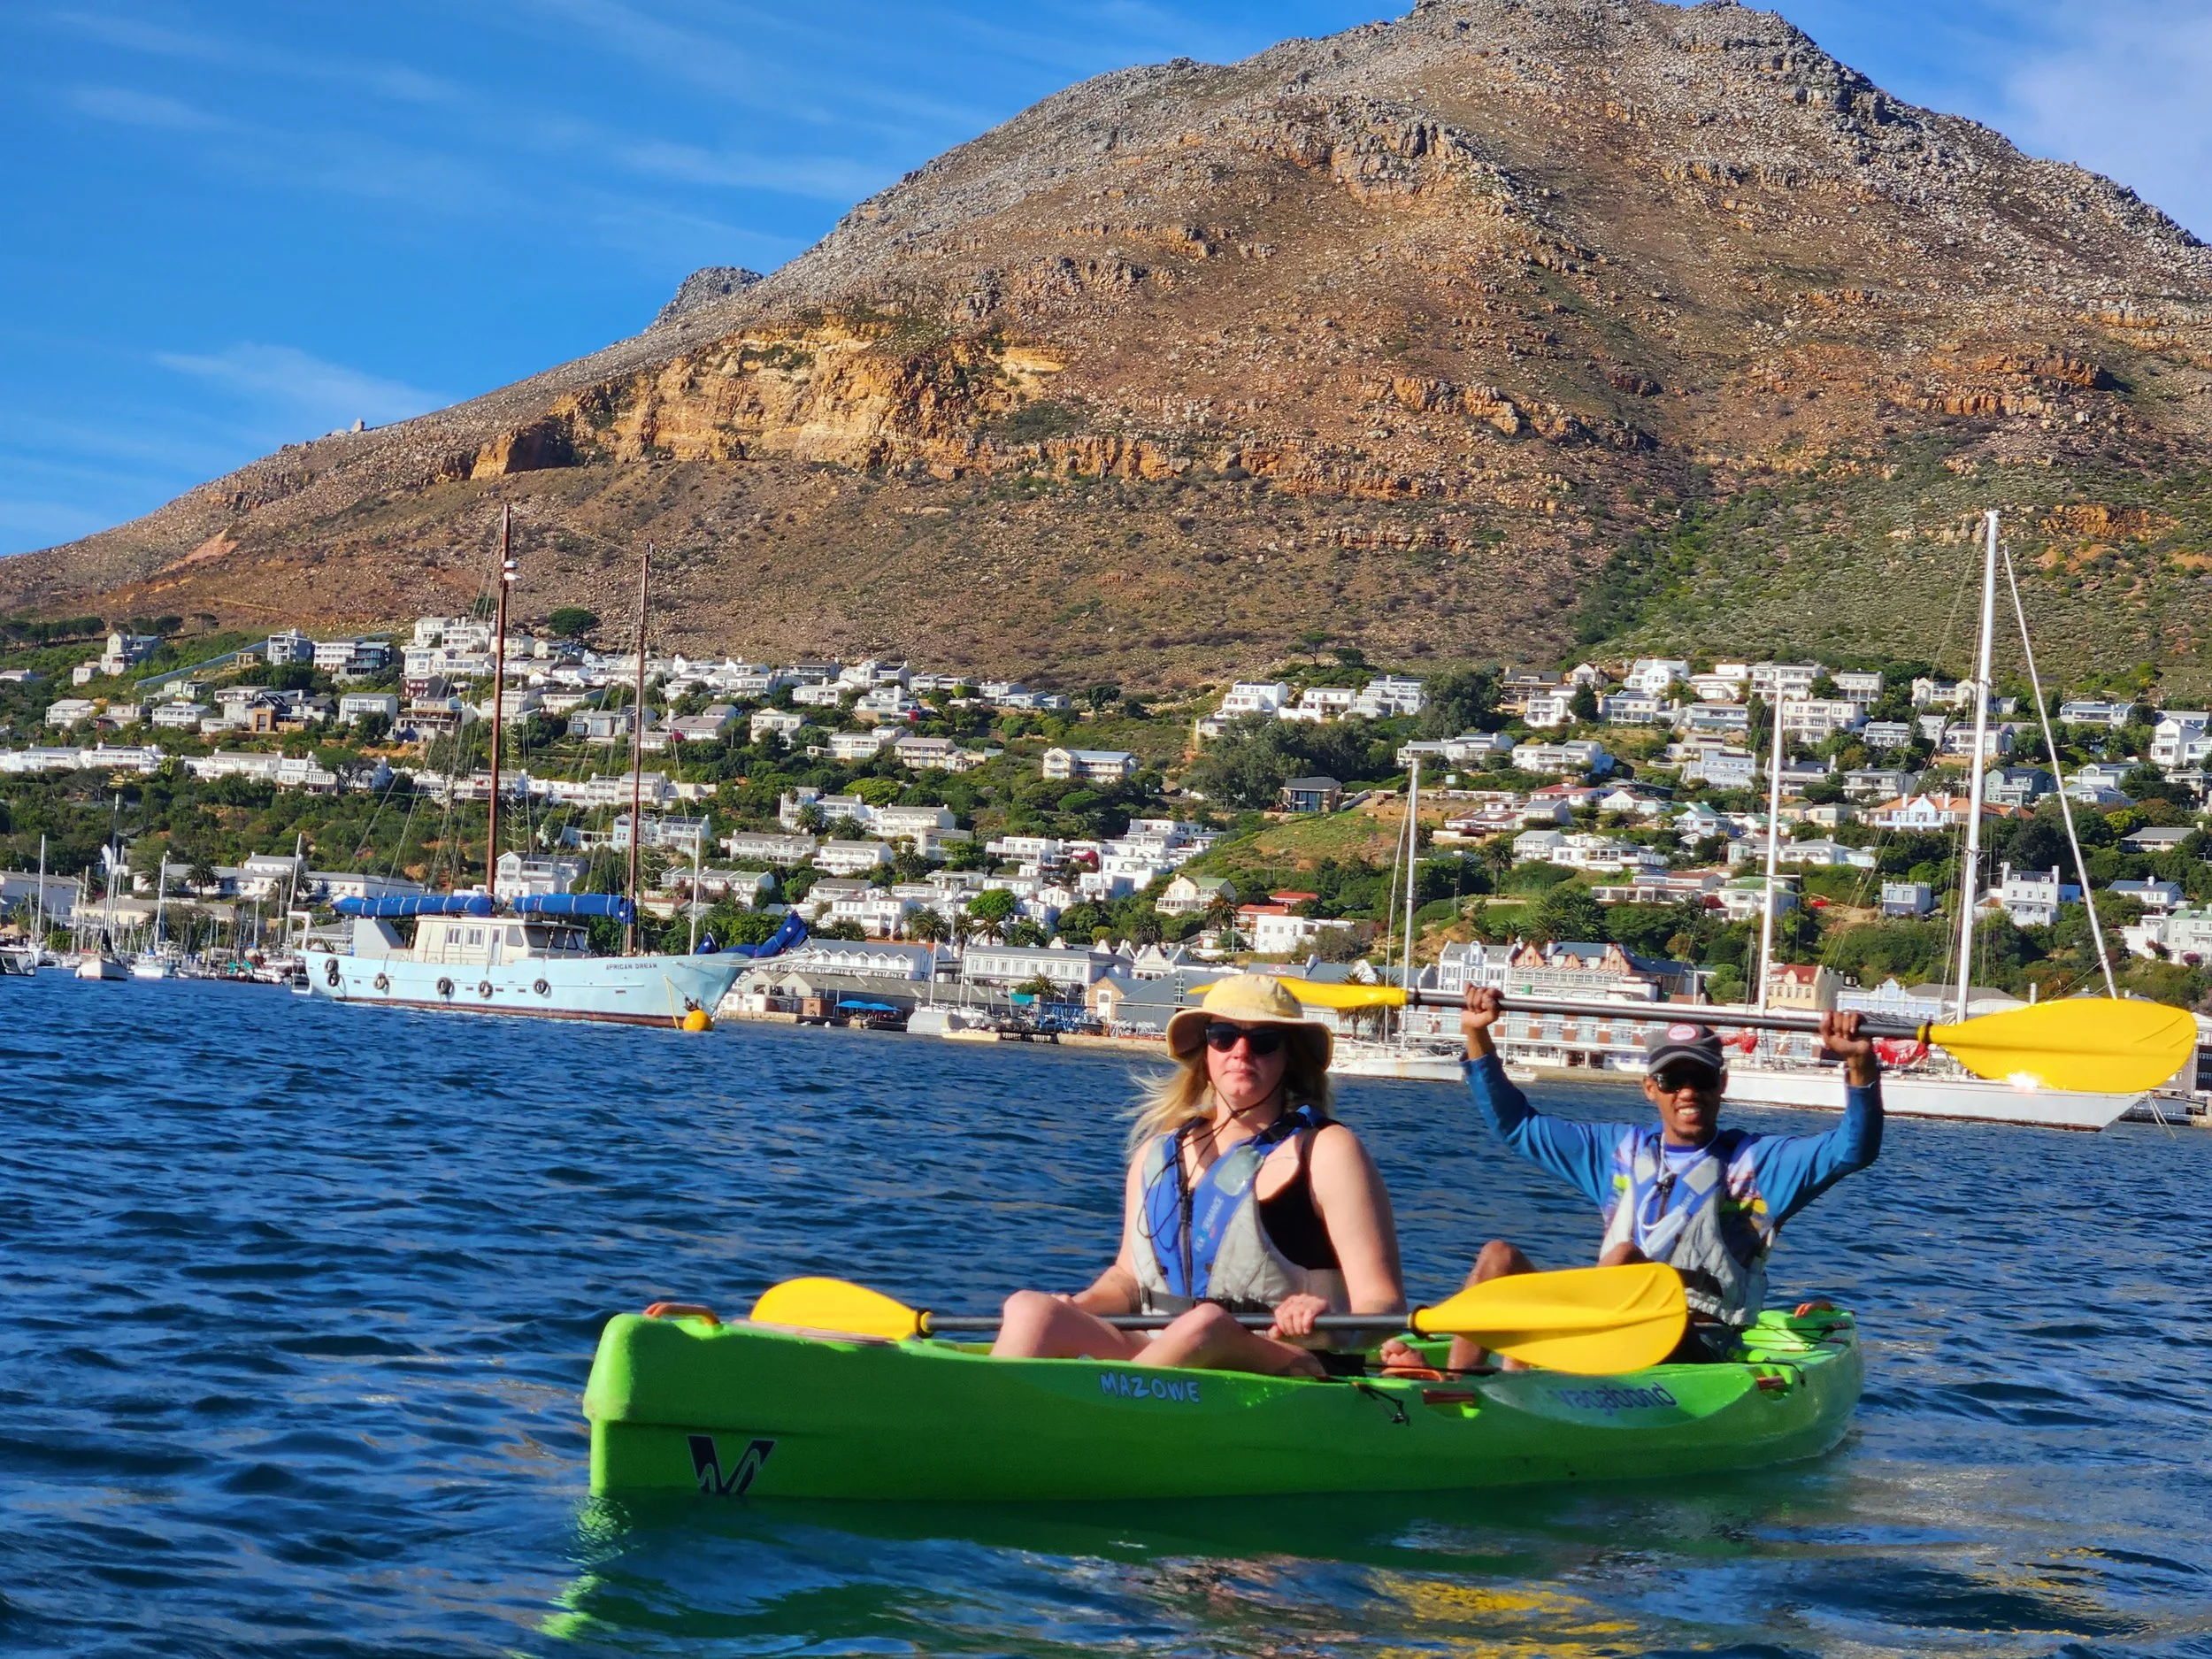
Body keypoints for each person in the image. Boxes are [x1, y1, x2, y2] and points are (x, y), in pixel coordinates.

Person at [1406, 987, 1882, 1374]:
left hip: (1702, 1345)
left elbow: (1853, 1149)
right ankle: (1456, 1388)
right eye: (1674, 1079)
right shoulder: (1616, 1152)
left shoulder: (1761, 1162)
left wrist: (1859, 1064)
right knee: (1497, 1257)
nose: (1688, 1091)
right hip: (1610, 1331)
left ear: (1722, 1083)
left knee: (1626, 1258)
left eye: (1701, 1077)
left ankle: (1530, 1363)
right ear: (1651, 1087)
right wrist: (1476, 1035)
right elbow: (1516, 1125)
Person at [993, 974, 1404, 1378]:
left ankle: (1104, 1418)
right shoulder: (1157, 1155)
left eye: (1263, 1041)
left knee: (1205, 1325)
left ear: (1289, 1057)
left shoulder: (1328, 1151)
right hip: (1163, 1350)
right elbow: (1128, 1280)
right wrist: (1079, 1305)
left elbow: (1384, 1305)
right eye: (1224, 1036)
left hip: (1291, 1364)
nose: (1241, 1052)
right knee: (1030, 1310)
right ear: (1206, 1051)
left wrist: (1329, 1318)